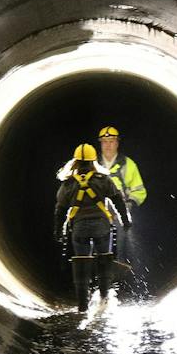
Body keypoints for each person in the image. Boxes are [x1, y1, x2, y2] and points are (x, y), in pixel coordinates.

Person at [54, 143, 131, 313]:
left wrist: (58, 230)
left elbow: (60, 210)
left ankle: (82, 305)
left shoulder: (68, 184)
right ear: (93, 161)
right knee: (104, 259)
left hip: (79, 229)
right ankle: (104, 300)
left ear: (75, 162)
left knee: (81, 262)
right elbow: (118, 200)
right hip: (101, 228)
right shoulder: (103, 180)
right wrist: (125, 220)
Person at [93, 125, 146, 292]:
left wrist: (129, 205)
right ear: (100, 144)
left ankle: (118, 283)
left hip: (120, 212)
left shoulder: (127, 165)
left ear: (117, 143)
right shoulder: (92, 165)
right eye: (105, 142)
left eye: (111, 141)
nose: (108, 145)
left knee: (119, 243)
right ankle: (96, 281)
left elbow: (139, 190)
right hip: (98, 212)